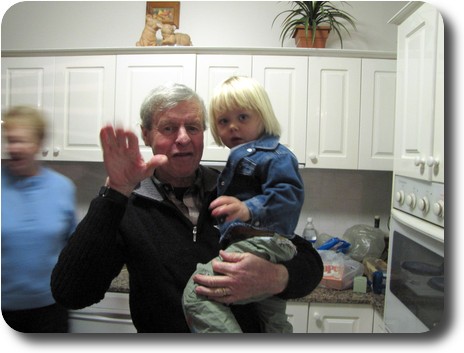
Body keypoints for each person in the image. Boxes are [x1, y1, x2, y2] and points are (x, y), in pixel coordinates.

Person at [50, 82, 323, 333]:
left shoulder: (233, 189)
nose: (183, 138)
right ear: (146, 134)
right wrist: (115, 192)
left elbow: (307, 260)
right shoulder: (126, 204)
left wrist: (278, 277)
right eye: (168, 128)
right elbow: (71, 292)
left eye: (193, 127)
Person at [182, 76, 304, 333]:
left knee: (196, 294)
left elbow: (289, 196)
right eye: (224, 121)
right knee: (272, 319)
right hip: (263, 243)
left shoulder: (276, 155)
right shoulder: (240, 160)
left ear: (263, 117)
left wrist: (248, 209)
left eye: (243, 117)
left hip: (264, 241)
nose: (233, 127)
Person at [1, 106, 77, 333]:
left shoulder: (62, 188)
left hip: (51, 309)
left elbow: (72, 248)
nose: (14, 148)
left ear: (38, 143)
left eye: (22, 141)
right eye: (10, 140)